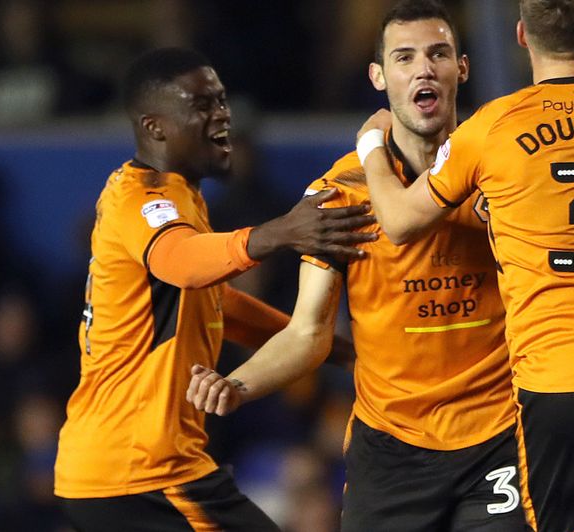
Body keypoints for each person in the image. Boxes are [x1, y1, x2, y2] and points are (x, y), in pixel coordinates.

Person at [355, 1, 574, 531]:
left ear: (521, 36)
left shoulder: (493, 130)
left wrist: (371, 146)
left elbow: (399, 221)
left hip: (561, 386)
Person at [186, 2, 525, 530]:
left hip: (500, 439)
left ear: (461, 68)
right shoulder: (339, 194)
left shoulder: (506, 178)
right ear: (378, 76)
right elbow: (309, 332)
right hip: (391, 449)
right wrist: (238, 384)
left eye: (437, 54)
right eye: (404, 57)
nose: (423, 68)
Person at [54, 47, 375, 532]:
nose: (221, 115)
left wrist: (322, 344)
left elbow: (213, 302)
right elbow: (181, 262)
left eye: (221, 101)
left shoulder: (180, 194)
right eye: (201, 105)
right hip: (140, 471)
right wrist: (283, 232)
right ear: (155, 126)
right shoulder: (143, 200)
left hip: (116, 470)